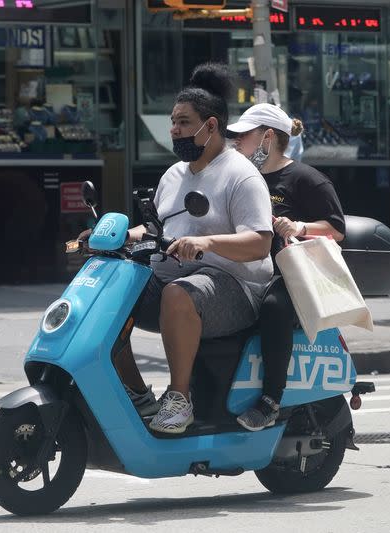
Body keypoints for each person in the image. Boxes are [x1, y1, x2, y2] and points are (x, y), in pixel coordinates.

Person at [98, 62, 274, 434]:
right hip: (178, 278)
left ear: (211, 126)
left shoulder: (241, 175)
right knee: (110, 293)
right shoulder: (174, 174)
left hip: (235, 286)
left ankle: (180, 400)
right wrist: (115, 236)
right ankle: (136, 393)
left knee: (179, 295)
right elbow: (158, 228)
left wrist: (206, 242)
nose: (173, 130)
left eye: (183, 122)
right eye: (173, 122)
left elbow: (260, 243)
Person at [227, 103, 345, 430]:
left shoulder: (306, 179)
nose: (235, 142)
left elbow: (337, 228)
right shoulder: (239, 177)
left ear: (267, 138)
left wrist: (300, 226)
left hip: (290, 277)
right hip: (244, 272)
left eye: (243, 136)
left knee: (274, 306)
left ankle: (270, 401)